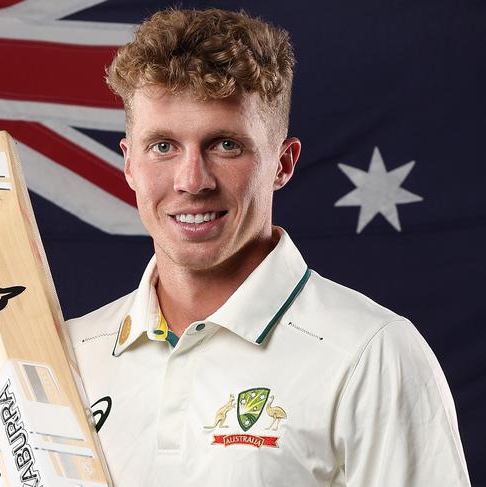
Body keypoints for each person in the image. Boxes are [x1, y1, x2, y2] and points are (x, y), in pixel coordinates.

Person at [66, 8, 471, 486]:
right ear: (130, 163)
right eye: (163, 146)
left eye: (225, 146)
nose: (191, 181)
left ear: (283, 162)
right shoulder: (69, 353)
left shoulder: (371, 353)